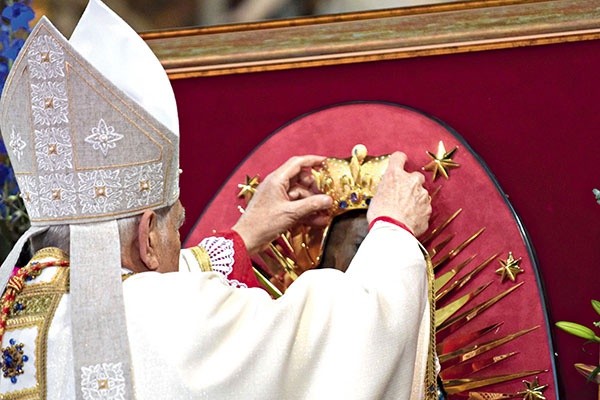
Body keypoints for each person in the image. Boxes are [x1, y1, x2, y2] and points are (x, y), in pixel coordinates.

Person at [0, 1, 434, 399]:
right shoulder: (178, 319)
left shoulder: (15, 299)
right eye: (176, 228)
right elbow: (343, 340)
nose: (180, 243)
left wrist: (243, 237)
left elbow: (115, 289)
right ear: (148, 236)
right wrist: (393, 230)